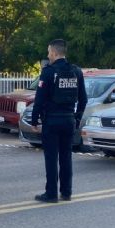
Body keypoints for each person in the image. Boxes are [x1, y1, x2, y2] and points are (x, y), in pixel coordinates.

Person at [30, 39, 87, 203]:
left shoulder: (48, 72)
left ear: (54, 53)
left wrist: (34, 121)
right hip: (69, 120)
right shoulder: (76, 71)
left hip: (52, 121)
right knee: (66, 157)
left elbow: (39, 99)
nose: (48, 55)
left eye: (49, 52)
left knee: (51, 158)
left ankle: (51, 194)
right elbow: (83, 99)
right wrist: (76, 118)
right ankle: (67, 192)